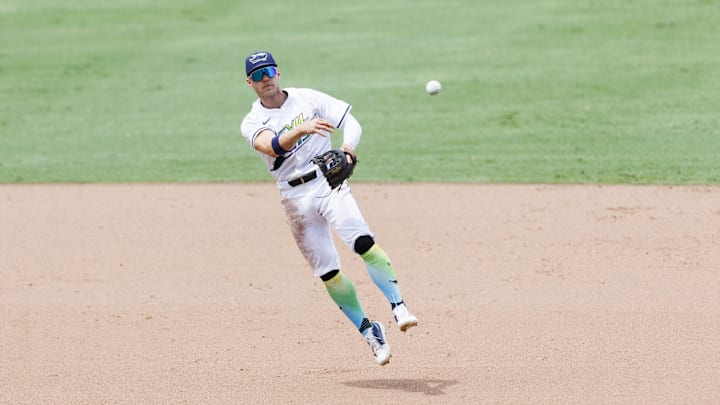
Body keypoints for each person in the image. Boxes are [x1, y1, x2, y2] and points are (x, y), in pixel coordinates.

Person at [239, 51, 418, 366]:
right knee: (329, 273)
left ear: (278, 72)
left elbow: (350, 121)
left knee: (362, 242)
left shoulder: (307, 98)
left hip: (328, 183)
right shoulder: (253, 121)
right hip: (295, 200)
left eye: (268, 71)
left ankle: (398, 306)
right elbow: (271, 145)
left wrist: (347, 148)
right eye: (257, 75)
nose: (264, 78)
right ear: (249, 83)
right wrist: (302, 129)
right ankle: (370, 331)